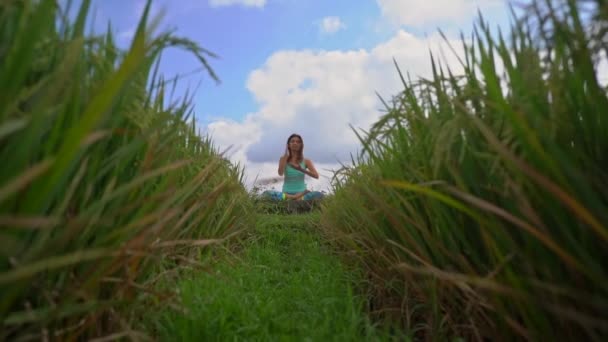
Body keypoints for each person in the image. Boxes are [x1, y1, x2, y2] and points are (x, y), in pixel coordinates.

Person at [262, 133, 324, 201]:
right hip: (286, 194)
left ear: (301, 145)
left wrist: (301, 169)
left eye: (298, 142)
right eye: (292, 141)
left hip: (302, 193)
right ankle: (293, 198)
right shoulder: (283, 159)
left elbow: (316, 176)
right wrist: (285, 157)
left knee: (319, 195)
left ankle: (298, 198)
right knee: (266, 194)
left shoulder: (306, 161)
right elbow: (280, 173)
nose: (295, 143)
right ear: (288, 145)